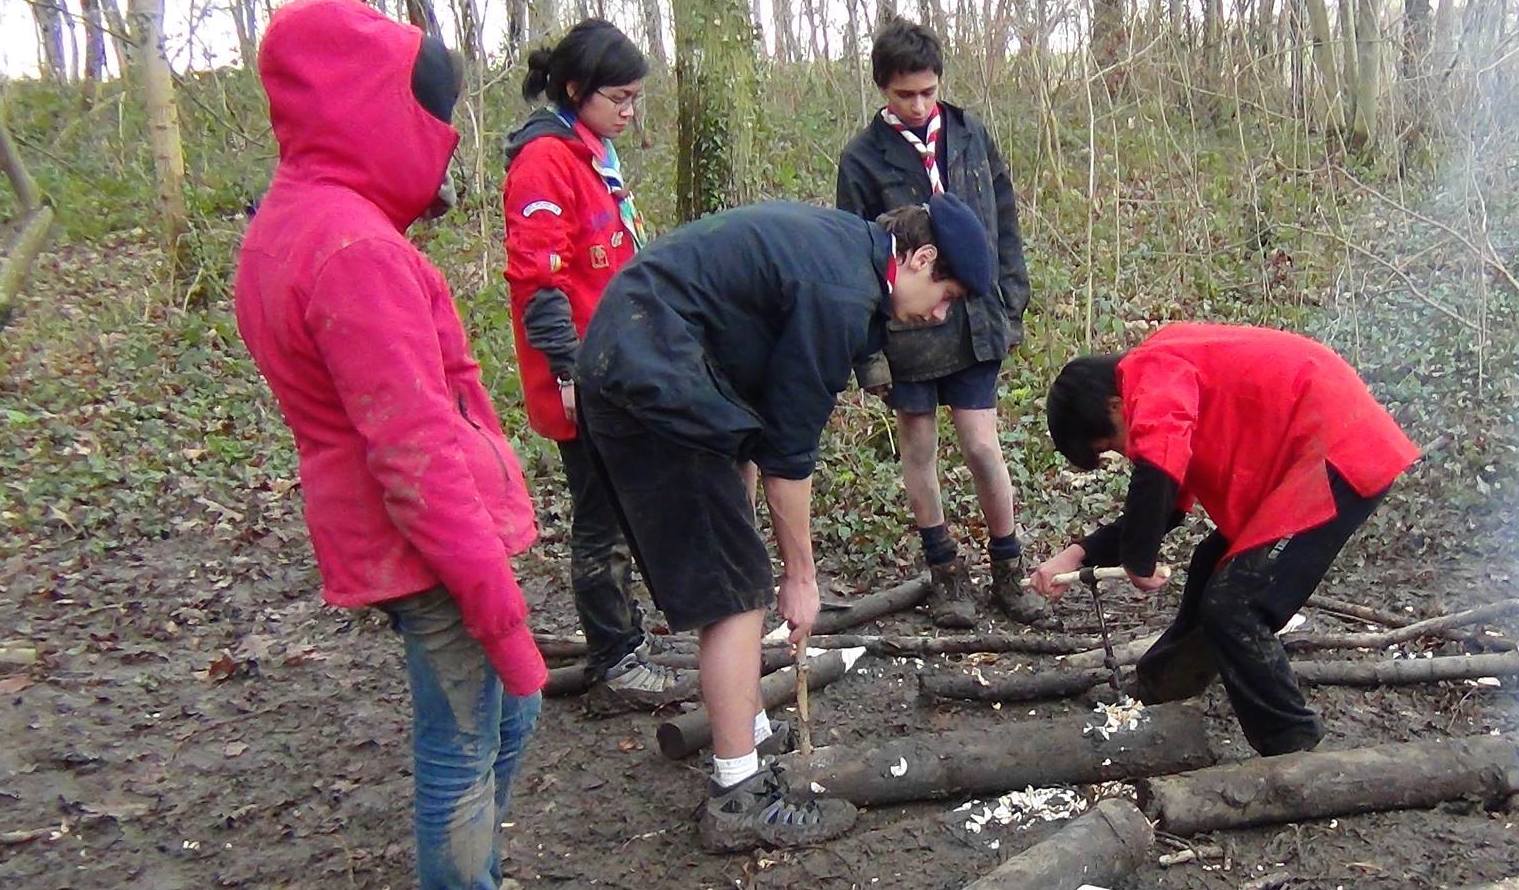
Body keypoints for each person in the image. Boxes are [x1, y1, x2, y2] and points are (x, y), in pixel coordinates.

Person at [233, 1, 545, 887]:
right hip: (427, 549)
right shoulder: (350, 250)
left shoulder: (304, 225)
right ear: (368, 110)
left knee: (505, 719)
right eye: (429, 118)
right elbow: (413, 455)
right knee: (463, 741)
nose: (443, 140)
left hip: (412, 536)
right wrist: (498, 605)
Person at [575, 194, 995, 851]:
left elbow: (755, 389)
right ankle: (737, 795)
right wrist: (801, 577)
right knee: (739, 594)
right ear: (921, 257)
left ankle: (747, 733)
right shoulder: (838, 291)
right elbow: (790, 457)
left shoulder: (844, 251)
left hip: (643, 359)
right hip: (652, 379)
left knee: (733, 570)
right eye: (947, 295)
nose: (941, 313)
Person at [1029, 323, 1421, 757]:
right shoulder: (1161, 379)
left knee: (1236, 603)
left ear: (1116, 405)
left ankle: (1294, 745)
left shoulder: (1152, 371)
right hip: (1308, 456)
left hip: (1338, 452)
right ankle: (1162, 689)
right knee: (1210, 567)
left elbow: (1158, 470)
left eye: (1114, 444)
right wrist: (1077, 554)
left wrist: (1137, 559)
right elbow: (1169, 503)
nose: (1127, 453)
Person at [835, 19, 1044, 629]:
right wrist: (870, 356)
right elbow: (857, 258)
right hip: (908, 332)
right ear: (882, 89)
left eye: (928, 91)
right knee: (920, 449)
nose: (920, 104)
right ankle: (946, 570)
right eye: (906, 94)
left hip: (975, 318)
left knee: (983, 444)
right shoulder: (861, 158)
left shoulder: (969, 131)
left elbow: (1002, 217)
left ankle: (1008, 565)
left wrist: (1011, 303)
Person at [502, 19, 670, 703]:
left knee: (625, 503)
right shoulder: (544, 162)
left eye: (635, 99)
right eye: (620, 98)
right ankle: (617, 658)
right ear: (577, 89)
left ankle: (620, 644)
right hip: (581, 376)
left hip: (616, 364)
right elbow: (538, 281)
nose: (630, 112)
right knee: (600, 514)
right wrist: (570, 373)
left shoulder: (591, 150)